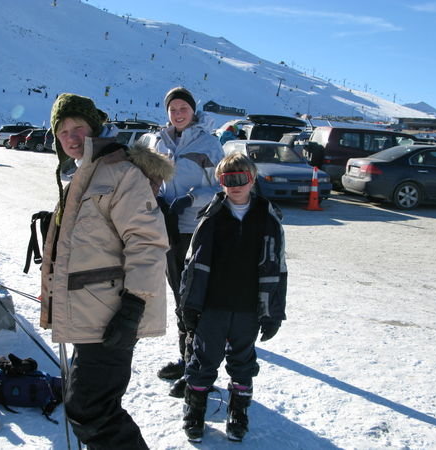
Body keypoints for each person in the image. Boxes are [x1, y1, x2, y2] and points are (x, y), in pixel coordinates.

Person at [39, 93, 173, 449]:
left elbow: (148, 243)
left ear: (94, 129)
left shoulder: (120, 174)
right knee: (85, 402)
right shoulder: (82, 175)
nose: (70, 136)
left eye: (77, 127)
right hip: (89, 311)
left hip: (113, 314)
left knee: (90, 408)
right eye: (62, 130)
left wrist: (134, 305)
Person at [178, 152, 287, 443]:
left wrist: (273, 313)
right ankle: (194, 411)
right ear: (220, 182)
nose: (235, 185)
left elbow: (279, 269)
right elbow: (193, 266)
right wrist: (189, 306)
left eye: (241, 179)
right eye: (228, 179)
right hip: (213, 304)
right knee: (203, 361)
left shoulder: (268, 218)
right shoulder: (212, 217)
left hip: (248, 307)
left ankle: (238, 413)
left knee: (243, 363)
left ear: (252, 179)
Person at [153, 86, 224, 396]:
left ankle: (197, 368)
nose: (178, 113)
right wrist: (154, 197)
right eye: (173, 108)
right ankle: (186, 360)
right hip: (166, 228)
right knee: (178, 296)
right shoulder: (159, 141)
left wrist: (191, 200)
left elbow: (222, 189)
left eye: (183, 107)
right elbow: (152, 178)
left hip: (195, 229)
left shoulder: (210, 144)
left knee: (194, 299)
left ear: (193, 111)